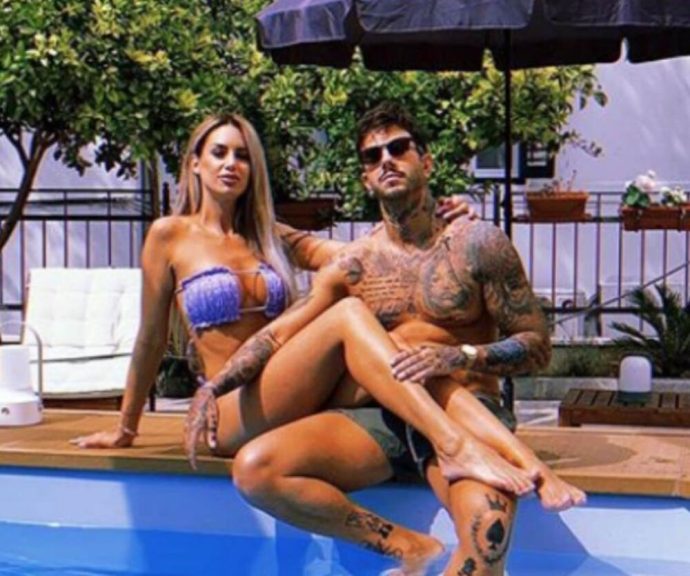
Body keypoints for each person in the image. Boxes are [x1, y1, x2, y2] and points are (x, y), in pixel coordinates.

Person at [184, 103, 586, 575]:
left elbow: (537, 347)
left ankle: (467, 457)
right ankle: (409, 547)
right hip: (382, 421)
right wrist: (214, 387)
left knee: (486, 533)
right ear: (365, 180)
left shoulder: (477, 243)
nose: (386, 161)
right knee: (257, 468)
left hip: (469, 410)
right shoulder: (355, 263)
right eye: (373, 157)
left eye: (398, 148)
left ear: (426, 162)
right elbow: (278, 335)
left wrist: (459, 355)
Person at [71, 112, 475, 450]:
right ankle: (452, 443)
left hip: (288, 389)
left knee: (408, 343)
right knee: (348, 314)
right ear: (195, 163)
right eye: (219, 153)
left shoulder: (269, 237)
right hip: (229, 407)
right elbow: (151, 338)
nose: (231, 164)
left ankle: (475, 439)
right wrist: (126, 427)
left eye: (243, 156)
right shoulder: (169, 235)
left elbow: (364, 255)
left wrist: (438, 225)